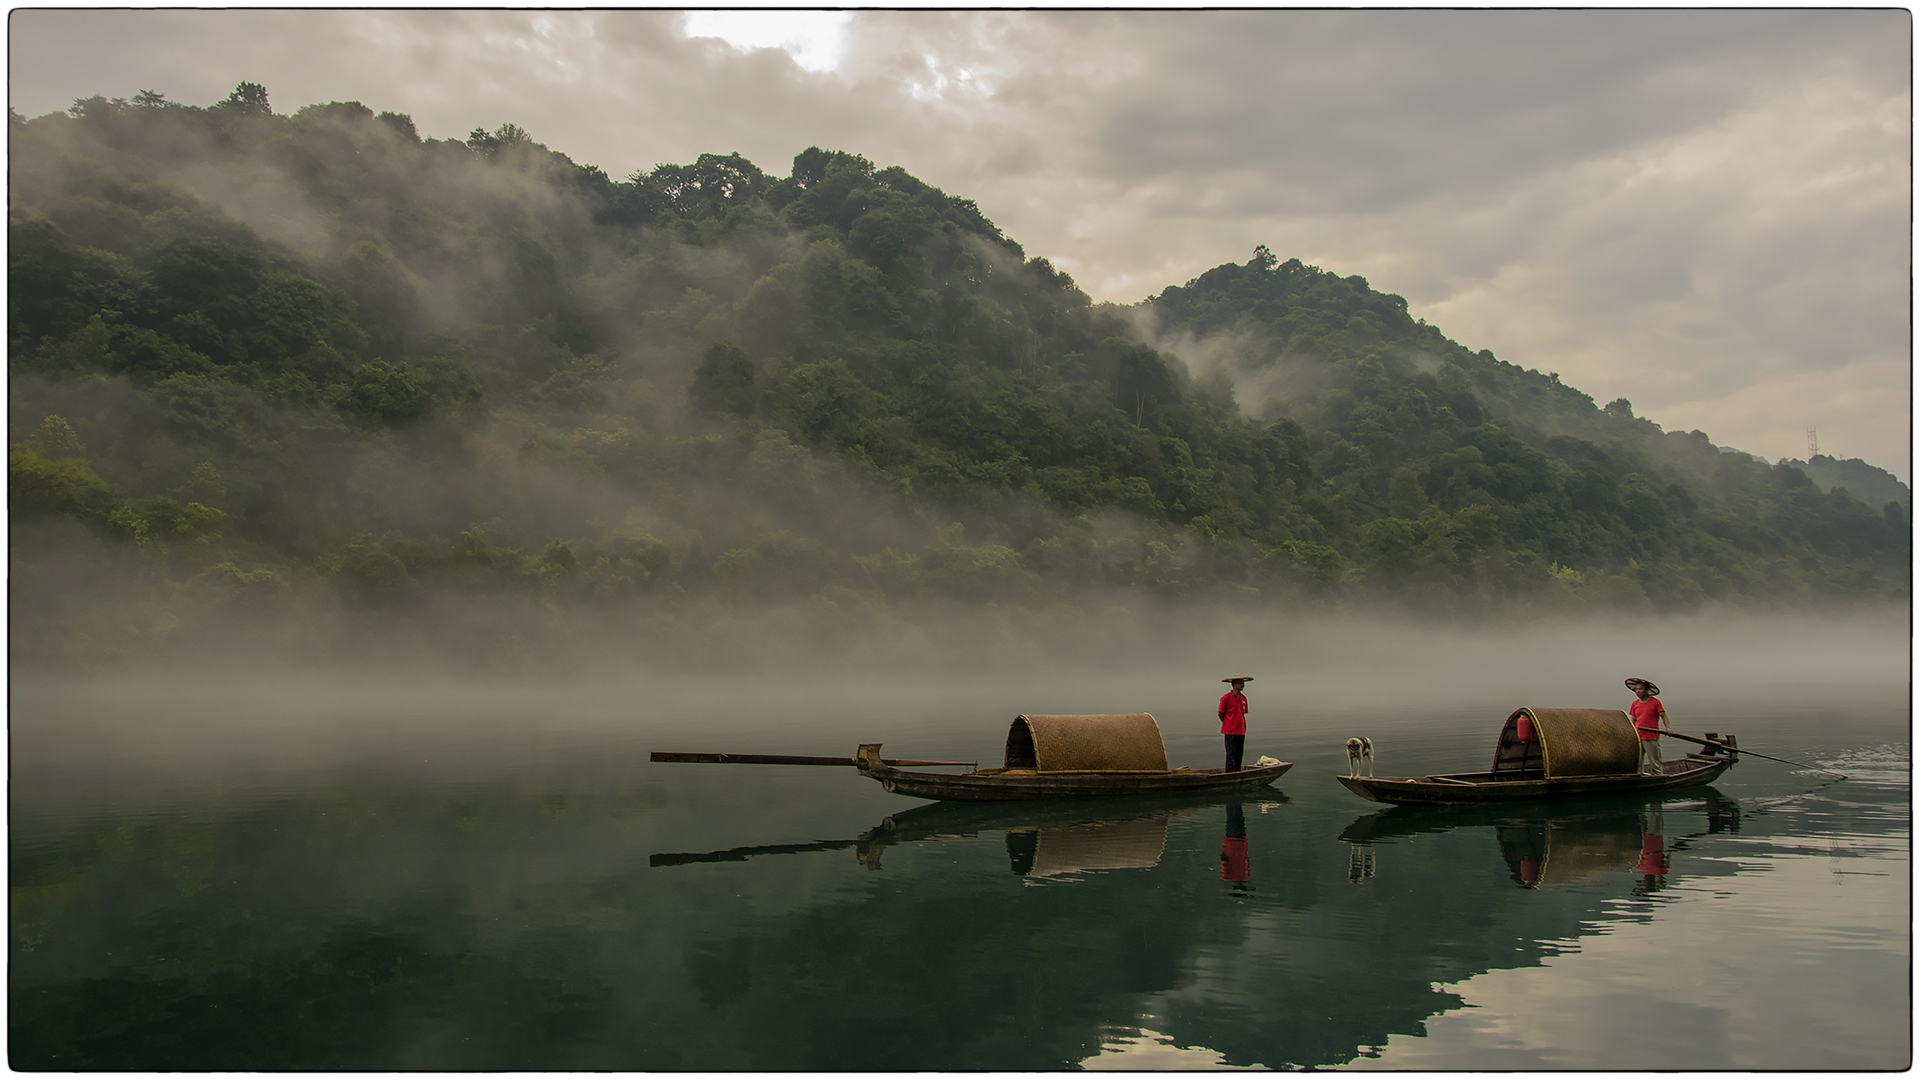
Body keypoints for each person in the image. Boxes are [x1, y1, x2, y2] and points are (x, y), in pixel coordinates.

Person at [1625, 677, 1671, 775]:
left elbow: (1663, 716)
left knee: (1654, 761)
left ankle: (1658, 776)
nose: (1638, 691)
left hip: (1651, 736)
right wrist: (1631, 732)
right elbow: (1634, 719)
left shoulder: (1655, 702)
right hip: (1638, 736)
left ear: (1646, 690)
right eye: (1636, 689)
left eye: (1640, 689)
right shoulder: (1635, 704)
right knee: (1638, 761)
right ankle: (1639, 776)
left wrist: (1668, 728)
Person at [1218, 674, 1252, 772]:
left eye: (1243, 683)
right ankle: (1229, 773)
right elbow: (1221, 713)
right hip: (1230, 731)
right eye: (1240, 683)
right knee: (1230, 754)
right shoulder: (1226, 698)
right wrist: (1228, 723)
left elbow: (1242, 713)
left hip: (1241, 730)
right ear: (1234, 684)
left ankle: (1237, 772)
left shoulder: (1243, 698)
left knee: (1239, 754)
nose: (1242, 685)